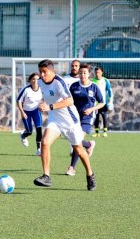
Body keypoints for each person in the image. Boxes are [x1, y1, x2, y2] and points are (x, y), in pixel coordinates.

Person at [34, 59, 96, 191]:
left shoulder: (59, 82)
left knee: (78, 150)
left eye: (45, 72)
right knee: (45, 142)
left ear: (52, 71)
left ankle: (90, 175)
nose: (42, 75)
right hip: (55, 119)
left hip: (70, 121)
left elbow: (70, 100)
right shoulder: (40, 82)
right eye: (40, 72)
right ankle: (46, 176)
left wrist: (49, 106)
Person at [66, 64, 105, 176]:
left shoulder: (94, 87)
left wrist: (91, 109)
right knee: (73, 139)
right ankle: (89, 145)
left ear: (88, 74)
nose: (82, 75)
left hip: (88, 117)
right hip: (74, 117)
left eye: (85, 73)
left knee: (77, 140)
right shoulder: (74, 86)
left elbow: (102, 103)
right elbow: (68, 100)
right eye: (81, 72)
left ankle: (71, 167)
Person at [17, 72, 43, 156]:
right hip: (26, 112)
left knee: (39, 129)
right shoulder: (26, 90)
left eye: (37, 79)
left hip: (36, 111)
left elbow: (45, 99)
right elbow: (18, 101)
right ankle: (23, 135)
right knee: (29, 131)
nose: (35, 81)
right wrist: (22, 112)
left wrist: (44, 105)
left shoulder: (42, 89)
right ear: (30, 80)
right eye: (33, 79)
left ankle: (39, 149)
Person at [92, 66, 114, 137]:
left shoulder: (105, 80)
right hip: (96, 104)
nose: (97, 74)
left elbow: (109, 91)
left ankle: (105, 131)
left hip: (103, 103)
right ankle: (97, 132)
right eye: (96, 72)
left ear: (102, 72)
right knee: (96, 117)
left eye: (98, 72)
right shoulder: (92, 81)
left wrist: (110, 102)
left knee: (104, 116)